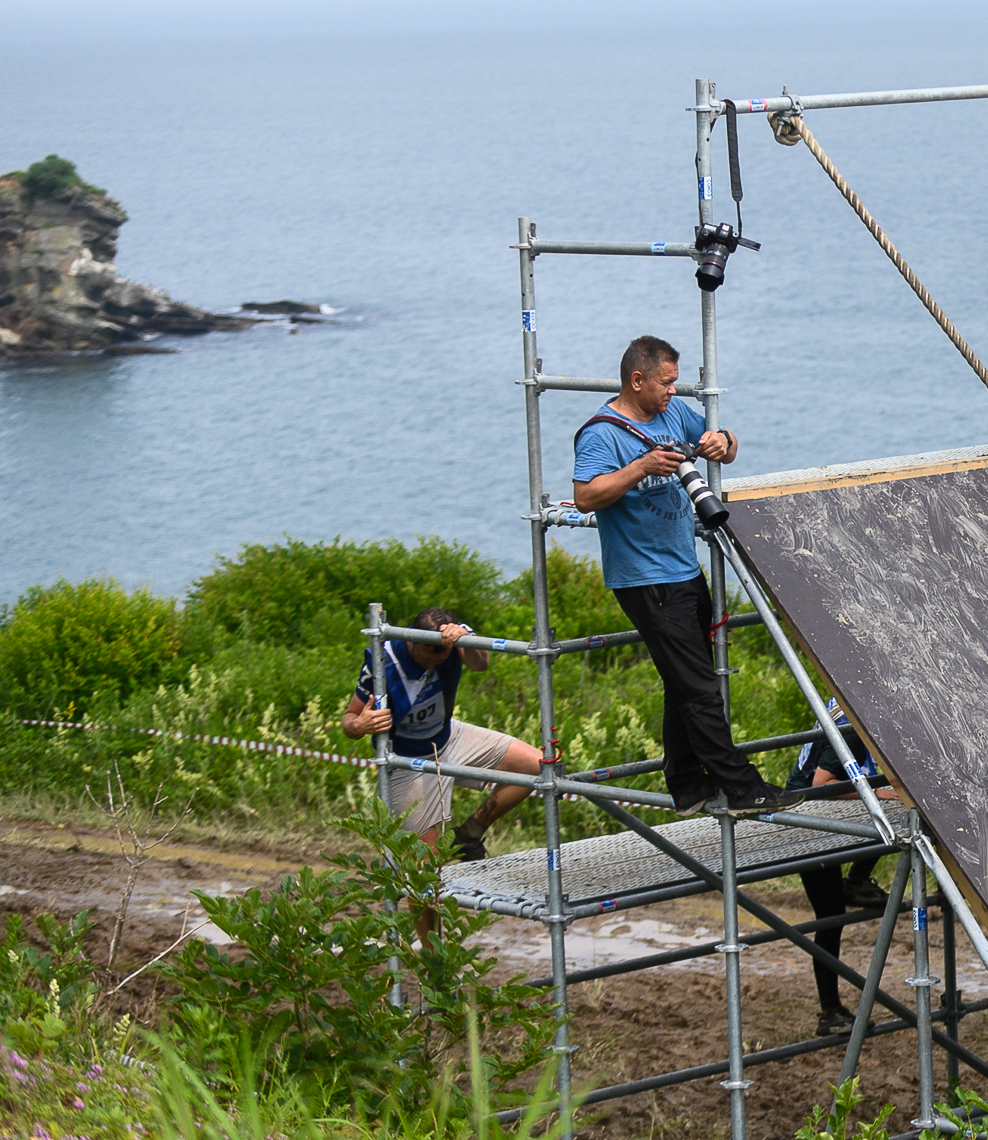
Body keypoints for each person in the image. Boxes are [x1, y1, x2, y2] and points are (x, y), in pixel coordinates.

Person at [572, 334, 801, 818]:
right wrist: (643, 467)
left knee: (683, 682)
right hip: (643, 577)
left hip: (682, 566)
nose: (674, 392)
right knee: (699, 687)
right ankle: (742, 789)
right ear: (637, 380)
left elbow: (725, 446)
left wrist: (725, 441)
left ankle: (685, 784)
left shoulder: (673, 414)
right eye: (666, 383)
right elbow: (586, 497)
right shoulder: (601, 433)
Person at [341, 609, 542, 862]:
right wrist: (360, 725)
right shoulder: (383, 661)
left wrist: (465, 637)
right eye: (426, 659)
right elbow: (348, 720)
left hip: (448, 736)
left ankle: (470, 833)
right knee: (426, 866)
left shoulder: (456, 640)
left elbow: (481, 664)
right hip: (407, 758)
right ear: (411, 641)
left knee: (536, 765)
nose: (432, 666)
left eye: (440, 659)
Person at [791, 712, 893, 1037]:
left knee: (894, 805)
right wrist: (876, 793)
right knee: (830, 917)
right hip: (808, 816)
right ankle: (829, 1012)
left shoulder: (848, 696)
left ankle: (856, 882)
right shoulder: (856, 715)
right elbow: (822, 784)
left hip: (820, 810)